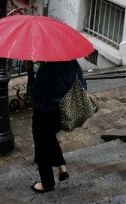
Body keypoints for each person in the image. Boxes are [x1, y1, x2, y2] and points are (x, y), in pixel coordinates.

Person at [30, 59, 87, 193]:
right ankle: (62, 167)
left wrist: (29, 70)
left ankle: (47, 183)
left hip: (44, 112)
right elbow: (83, 85)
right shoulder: (72, 63)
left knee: (41, 146)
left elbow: (33, 93)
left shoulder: (46, 69)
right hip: (61, 111)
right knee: (49, 137)